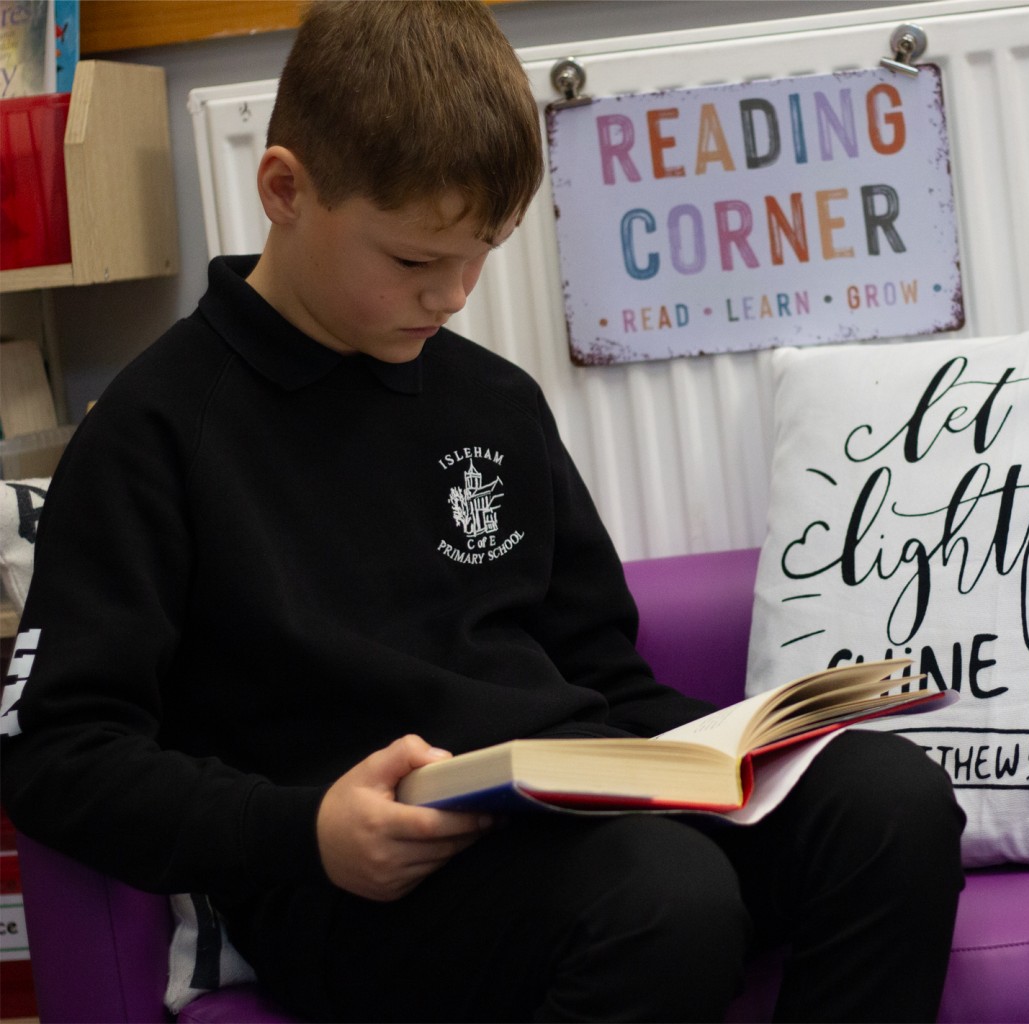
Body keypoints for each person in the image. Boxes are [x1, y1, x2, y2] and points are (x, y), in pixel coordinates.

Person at [0, 3, 965, 1021]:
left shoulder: (494, 400)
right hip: (356, 880)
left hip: (570, 819)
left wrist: (736, 750)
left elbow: (603, 677)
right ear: (284, 189)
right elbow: (56, 752)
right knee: (663, 899)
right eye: (415, 261)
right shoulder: (154, 431)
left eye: (483, 252)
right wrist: (304, 831)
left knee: (889, 801)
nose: (454, 295)